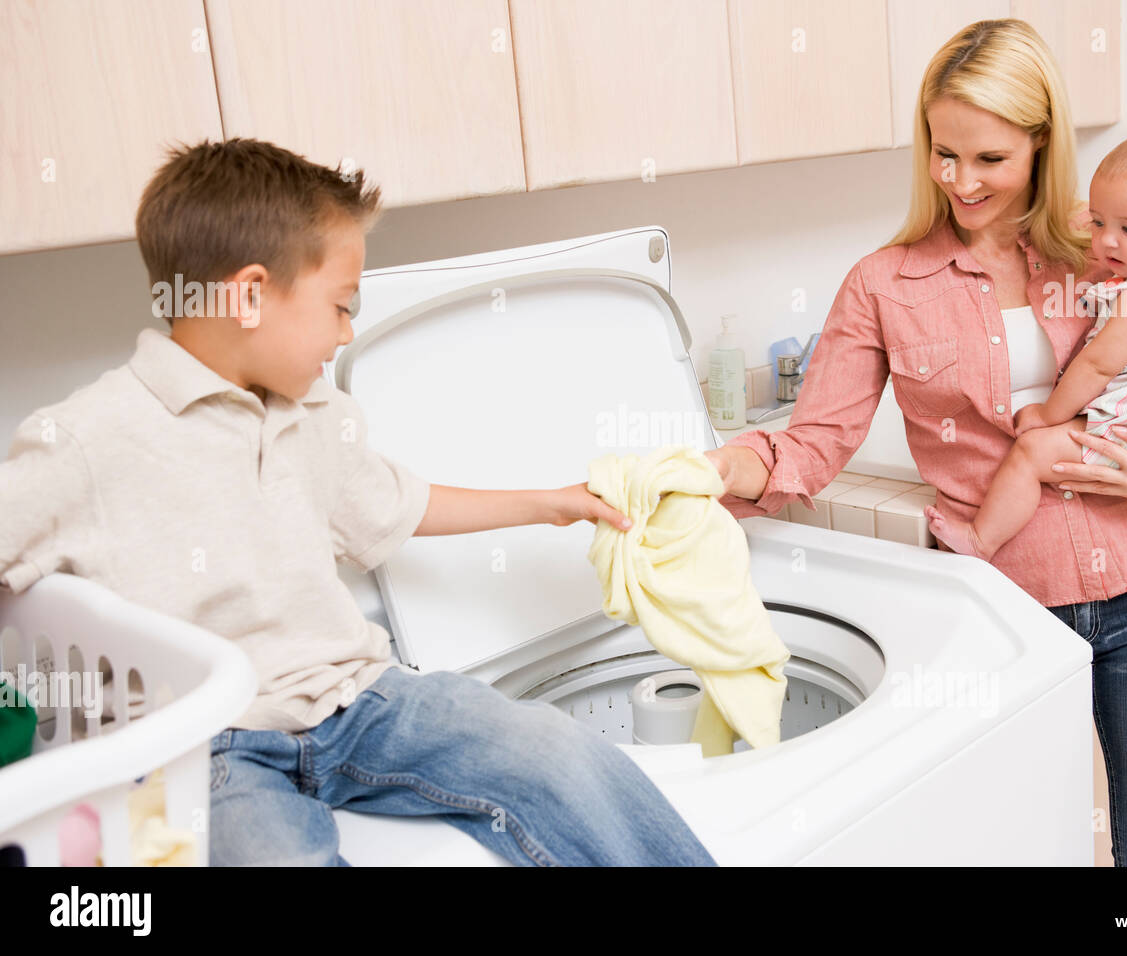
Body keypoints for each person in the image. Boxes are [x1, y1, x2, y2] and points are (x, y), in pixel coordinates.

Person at [0, 138, 716, 867]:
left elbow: (400, 504)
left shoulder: (312, 411)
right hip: (205, 748)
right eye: (341, 307)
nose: (346, 333)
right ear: (249, 294)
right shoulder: (89, 440)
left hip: (359, 701)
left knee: (559, 753)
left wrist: (549, 502)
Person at [704, 19, 1127, 866]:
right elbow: (812, 445)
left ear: (1041, 142)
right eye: (944, 153)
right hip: (1004, 612)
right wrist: (712, 472)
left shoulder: (1110, 245)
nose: (960, 179)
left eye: (989, 158)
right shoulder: (884, 283)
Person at [926, 128, 1127, 615]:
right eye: (1097, 222)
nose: (1105, 241)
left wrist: (1048, 414)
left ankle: (979, 540)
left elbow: (1097, 364)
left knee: (1031, 452)